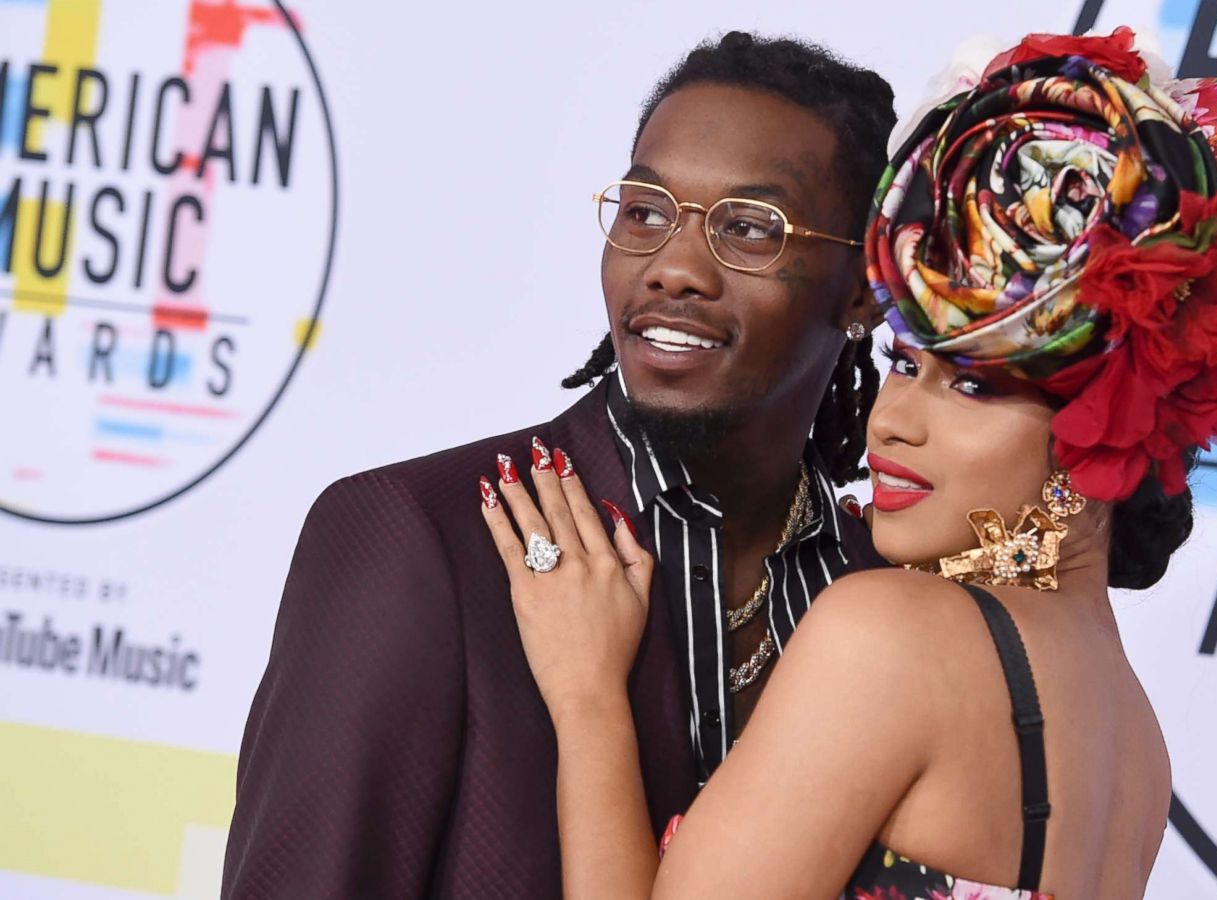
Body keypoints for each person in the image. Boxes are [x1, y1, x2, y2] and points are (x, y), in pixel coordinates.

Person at [477, 27, 1217, 899]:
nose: (893, 421)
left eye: (972, 388)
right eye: (905, 363)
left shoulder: (891, 636)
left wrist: (589, 698)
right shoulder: (1134, 741)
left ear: (1102, 421)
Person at [221, 33, 895, 898]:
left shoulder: (886, 597)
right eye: (645, 211)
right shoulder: (422, 539)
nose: (673, 269)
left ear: (863, 289)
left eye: (749, 228)